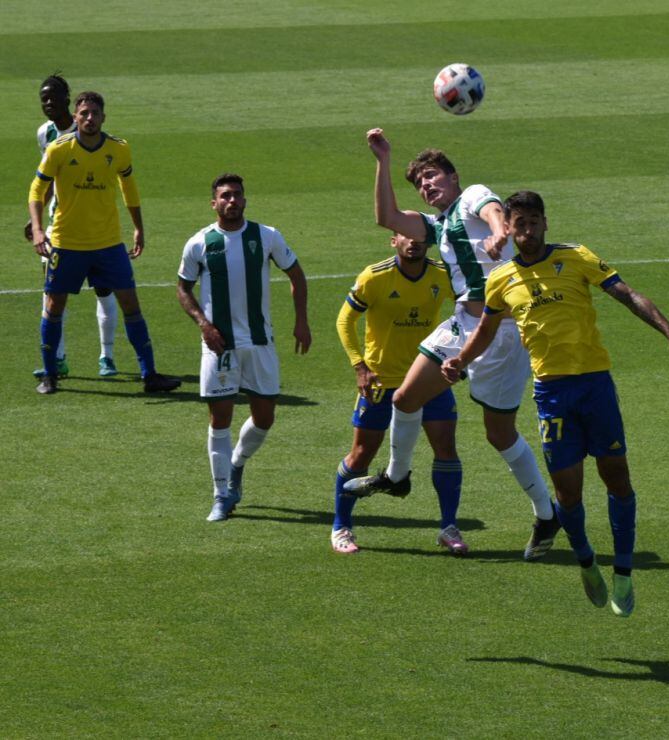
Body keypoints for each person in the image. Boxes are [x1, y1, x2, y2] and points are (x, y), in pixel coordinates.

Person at [442, 191, 669, 618]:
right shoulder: (500, 279)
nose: (525, 231)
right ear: (507, 226)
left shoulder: (576, 257)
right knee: (568, 493)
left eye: (532, 222)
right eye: (517, 223)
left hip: (596, 386)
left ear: (545, 223)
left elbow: (627, 294)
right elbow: (485, 330)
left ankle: (623, 571)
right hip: (552, 394)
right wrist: (460, 361)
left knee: (617, 477)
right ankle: (586, 560)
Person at [344, 129, 560, 560]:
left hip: (503, 334)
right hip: (464, 321)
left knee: (499, 435)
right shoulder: (436, 225)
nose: (426, 185)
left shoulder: (472, 196)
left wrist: (500, 233)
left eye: (432, 176)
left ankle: (546, 513)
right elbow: (387, 216)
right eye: (420, 182)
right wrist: (382, 160)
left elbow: (495, 210)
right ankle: (397, 476)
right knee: (404, 399)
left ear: (453, 176)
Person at [177, 173, 311, 522]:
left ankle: (236, 464)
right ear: (214, 203)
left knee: (265, 418)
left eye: (237, 195)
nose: (232, 201)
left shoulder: (266, 236)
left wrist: (301, 321)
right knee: (220, 419)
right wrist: (204, 325)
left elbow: (296, 275)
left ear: (245, 201)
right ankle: (221, 495)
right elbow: (182, 289)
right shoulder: (200, 242)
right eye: (225, 196)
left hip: (260, 342)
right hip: (219, 346)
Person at [28, 90, 179, 395]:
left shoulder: (119, 149)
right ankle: (50, 375)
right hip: (66, 244)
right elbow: (36, 190)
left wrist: (138, 228)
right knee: (53, 307)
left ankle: (150, 375)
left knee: (131, 305)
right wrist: (38, 228)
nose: (89, 118)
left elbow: (130, 189)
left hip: (108, 244)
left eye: (94, 113)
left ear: (103, 117)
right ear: (75, 116)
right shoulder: (58, 149)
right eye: (83, 113)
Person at [332, 233, 462, 554]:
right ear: (394, 241)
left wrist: (457, 352)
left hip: (427, 379)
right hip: (380, 381)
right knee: (361, 454)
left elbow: (470, 310)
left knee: (445, 448)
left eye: (420, 238)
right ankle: (341, 526)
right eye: (407, 238)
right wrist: (359, 365)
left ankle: (448, 527)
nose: (414, 243)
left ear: (429, 243)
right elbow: (344, 319)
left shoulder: (441, 275)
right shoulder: (374, 277)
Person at [26, 74, 121, 380]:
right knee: (52, 291)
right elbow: (48, 177)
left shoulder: (87, 130)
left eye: (54, 97)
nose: (49, 103)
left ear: (68, 98)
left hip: (94, 226)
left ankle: (107, 356)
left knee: (104, 289)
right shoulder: (45, 134)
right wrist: (36, 219)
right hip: (59, 225)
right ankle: (59, 358)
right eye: (44, 99)